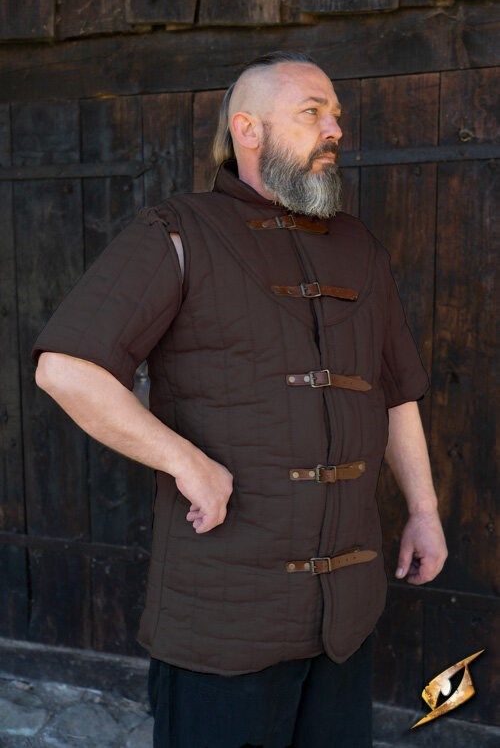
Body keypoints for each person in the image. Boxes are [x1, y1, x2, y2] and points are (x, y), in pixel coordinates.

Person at [31, 50, 448, 747]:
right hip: (222, 617)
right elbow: (66, 368)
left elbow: (396, 393)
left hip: (343, 616)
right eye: (312, 112)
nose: (335, 129)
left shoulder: (359, 248)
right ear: (248, 129)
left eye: (335, 115)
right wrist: (185, 461)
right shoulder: (177, 231)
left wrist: (425, 511)